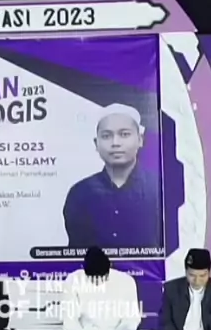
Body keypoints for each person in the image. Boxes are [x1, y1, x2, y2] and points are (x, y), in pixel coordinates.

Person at [63, 103, 162, 251]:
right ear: (96, 143)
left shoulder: (158, 189)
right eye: (106, 136)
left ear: (140, 140)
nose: (115, 143)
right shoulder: (80, 193)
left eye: (124, 134)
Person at [61, 246, 168, 330]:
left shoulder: (126, 281)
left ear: (109, 269)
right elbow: (70, 321)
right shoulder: (73, 281)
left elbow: (131, 320)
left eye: (102, 278)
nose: (98, 282)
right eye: (93, 279)